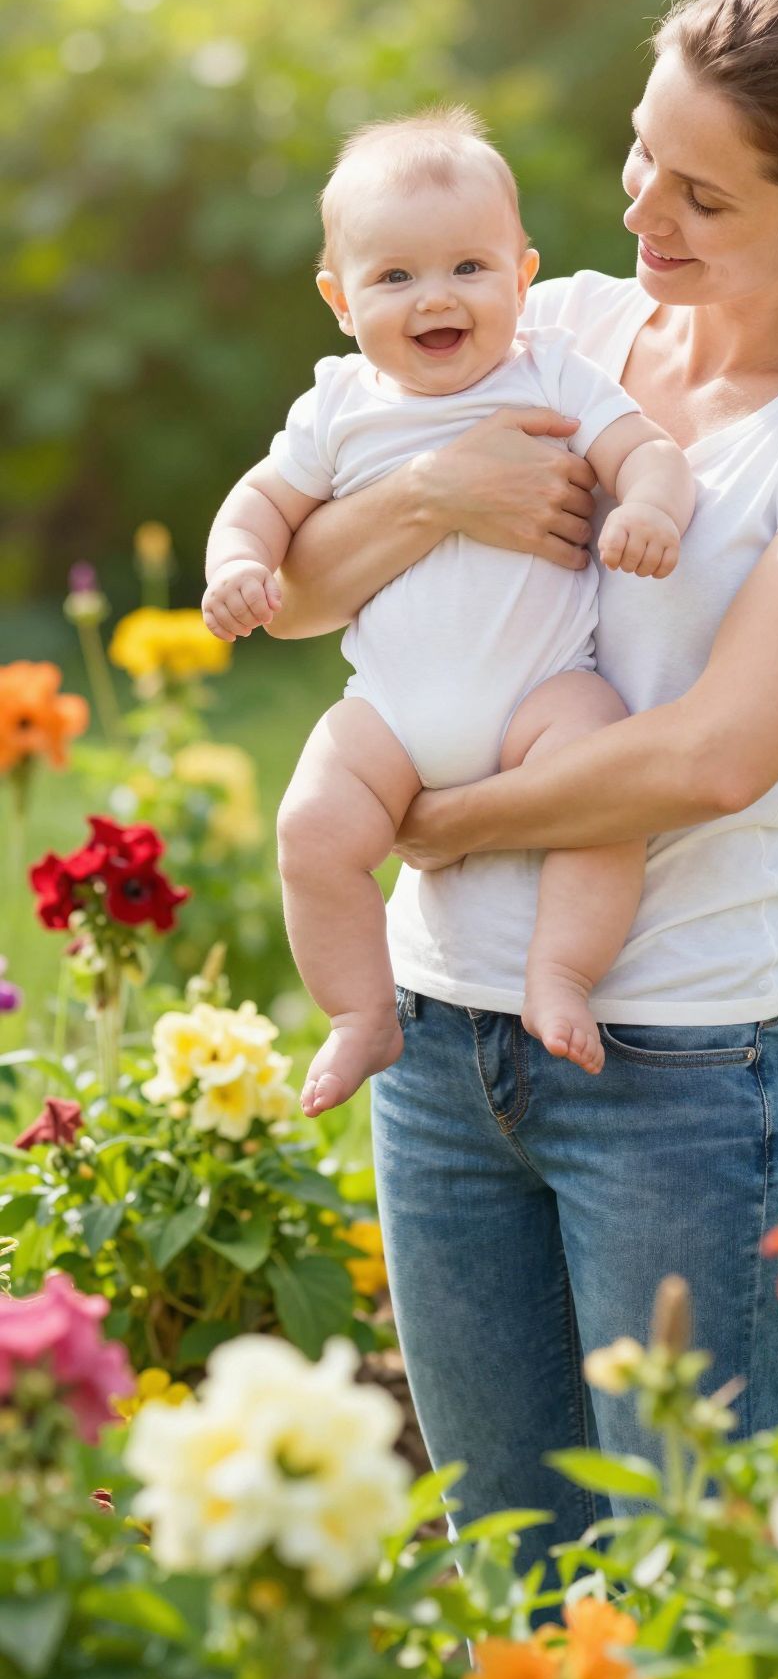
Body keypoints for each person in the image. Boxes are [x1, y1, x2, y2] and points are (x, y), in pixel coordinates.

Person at [267, 0, 778, 1591]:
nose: (642, 211)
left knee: (704, 1591)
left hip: (676, 1077)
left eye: (701, 193)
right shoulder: (558, 320)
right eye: (638, 154)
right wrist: (435, 499)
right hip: (436, 1052)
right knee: (513, 1575)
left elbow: (711, 755)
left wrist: (424, 821)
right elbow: (311, 587)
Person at [201, 109, 695, 1116]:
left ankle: (560, 972)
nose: (436, 296)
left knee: (601, 784)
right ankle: (357, 1013)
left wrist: (646, 505)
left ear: (523, 275)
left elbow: (649, 451)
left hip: (539, 692)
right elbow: (260, 501)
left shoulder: (551, 369)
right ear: (341, 301)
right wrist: (238, 562)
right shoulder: (339, 403)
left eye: (469, 268)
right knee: (311, 829)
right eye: (394, 278)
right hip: (389, 707)